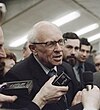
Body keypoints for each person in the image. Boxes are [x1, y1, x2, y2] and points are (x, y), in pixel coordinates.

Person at [4, 21, 77, 110]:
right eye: (50, 44)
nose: (59, 49)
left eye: (60, 42)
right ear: (33, 49)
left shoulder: (67, 68)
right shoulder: (16, 76)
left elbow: (77, 95)